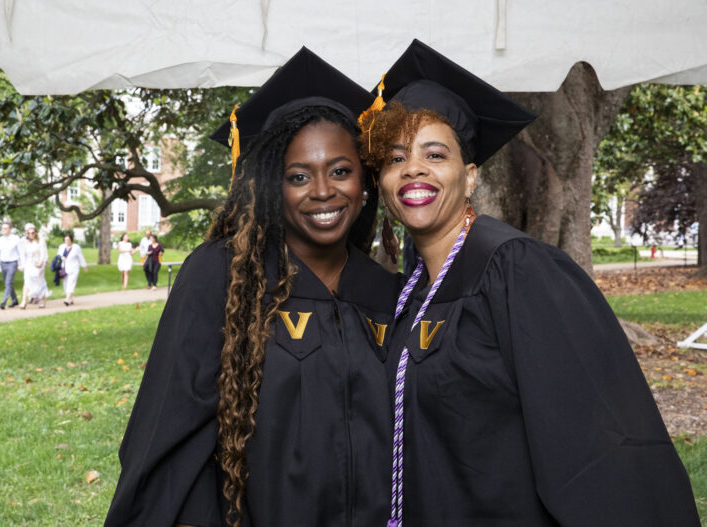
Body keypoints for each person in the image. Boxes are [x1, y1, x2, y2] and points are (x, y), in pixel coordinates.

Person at [360, 39, 699, 526]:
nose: (413, 168)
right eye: (394, 159)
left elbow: (597, 440)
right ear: (384, 185)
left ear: (470, 176)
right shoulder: (409, 292)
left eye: (435, 154)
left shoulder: (518, 270)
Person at [106, 47, 401, 527]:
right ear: (269, 186)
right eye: (298, 176)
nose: (323, 190)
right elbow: (168, 442)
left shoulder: (386, 292)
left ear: (365, 181)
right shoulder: (222, 276)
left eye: (341, 171)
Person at [0, 221, 22, 309]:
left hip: (13, 263)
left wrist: (21, 264)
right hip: (3, 264)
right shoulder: (0, 240)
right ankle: (15, 300)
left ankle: (3, 302)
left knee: (8, 282)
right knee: (7, 283)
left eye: (5, 228)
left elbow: (21, 252)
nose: (3, 230)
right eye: (2, 228)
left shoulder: (16, 239)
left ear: (10, 229)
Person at [19, 223, 50, 309]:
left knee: (40, 282)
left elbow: (43, 253)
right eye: (28, 233)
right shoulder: (26, 243)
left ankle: (42, 300)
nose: (30, 234)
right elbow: (23, 255)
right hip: (29, 264)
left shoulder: (40, 241)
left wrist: (41, 262)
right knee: (26, 281)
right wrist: (22, 265)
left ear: (36, 232)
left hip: (38, 264)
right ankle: (24, 301)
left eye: (32, 233)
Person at [57, 232, 87, 305]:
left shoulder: (76, 247)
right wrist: (61, 257)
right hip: (64, 268)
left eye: (68, 240)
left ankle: (67, 299)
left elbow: (81, 257)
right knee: (66, 284)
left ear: (71, 240)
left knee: (71, 283)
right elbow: (58, 255)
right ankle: (71, 299)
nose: (67, 241)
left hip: (74, 268)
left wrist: (84, 266)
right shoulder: (61, 247)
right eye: (65, 240)